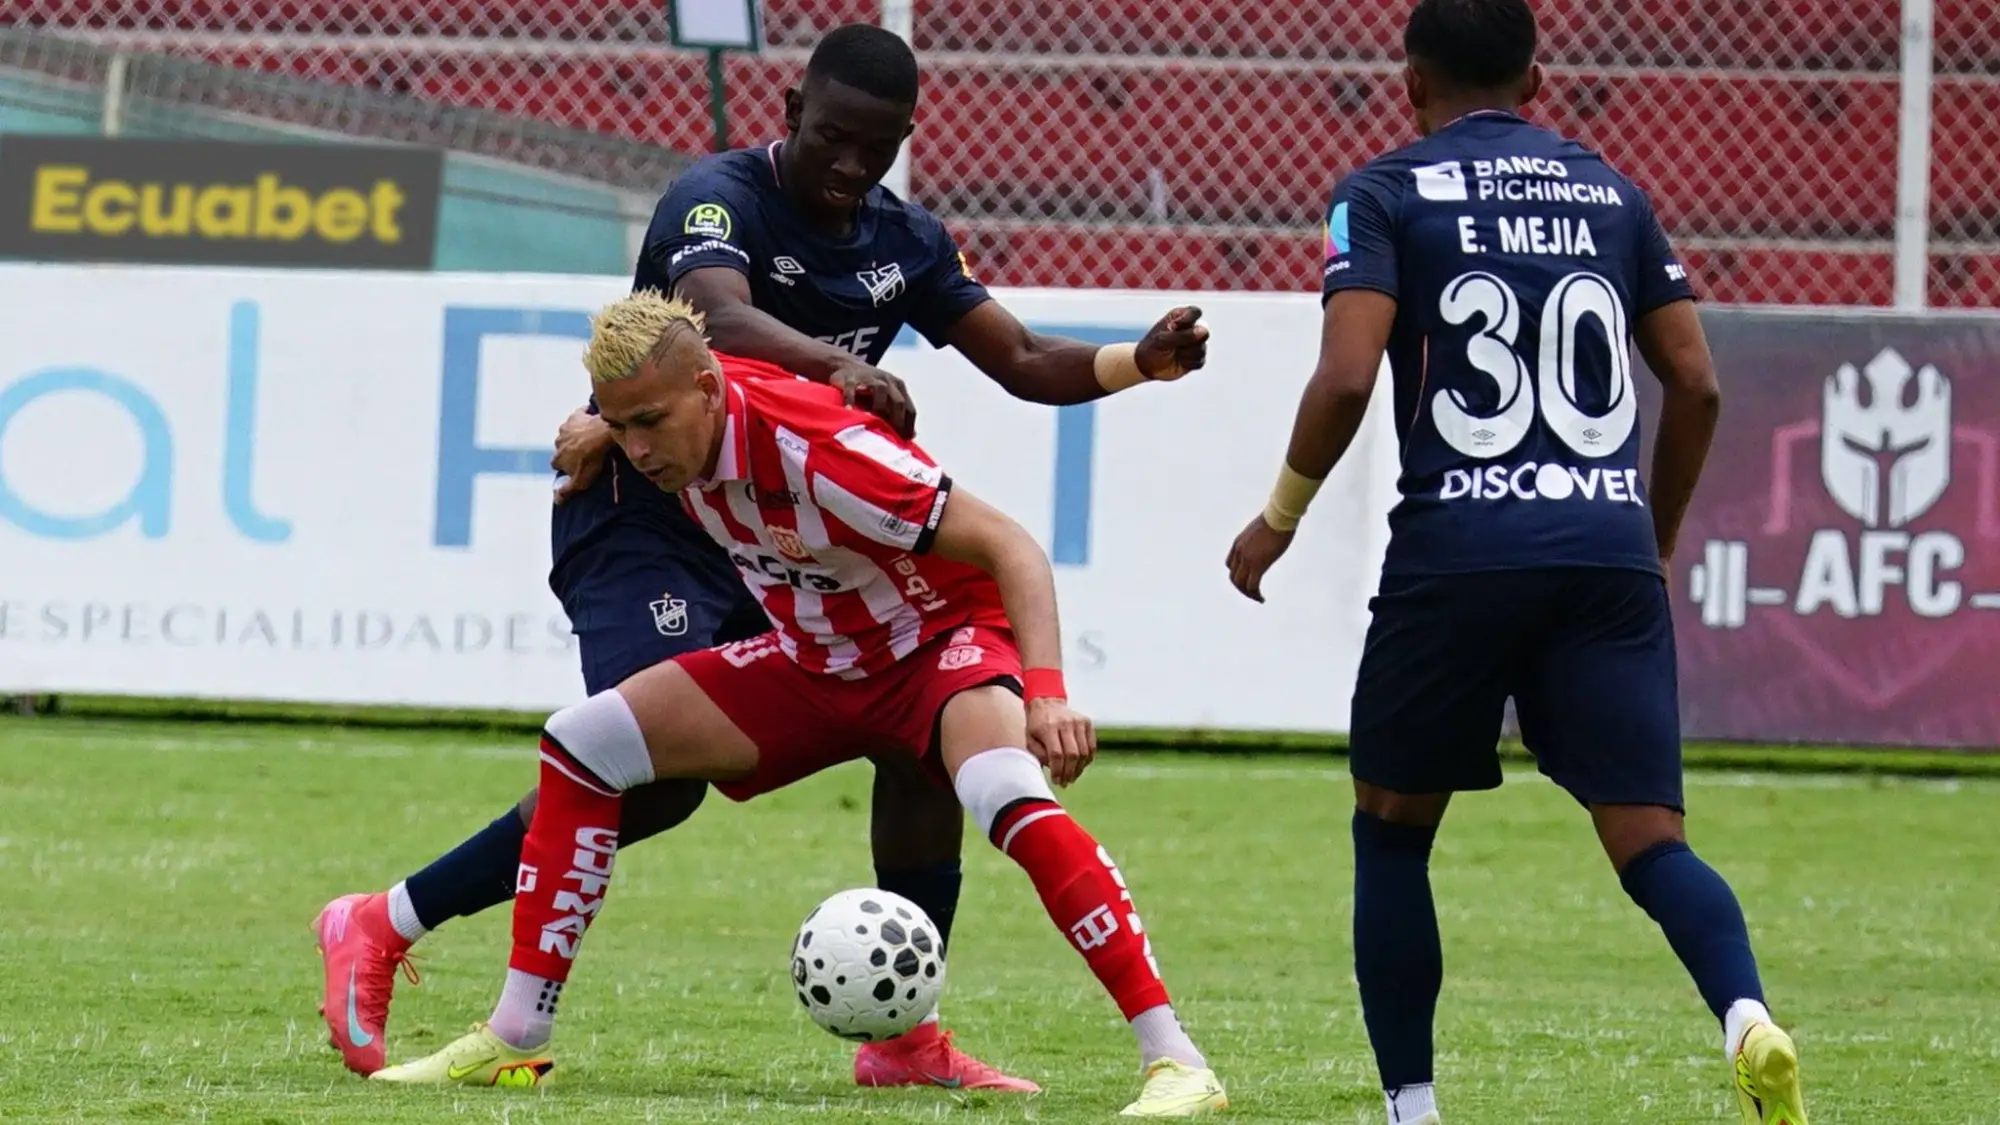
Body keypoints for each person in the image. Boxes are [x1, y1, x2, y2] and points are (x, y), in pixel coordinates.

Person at [312, 22, 1209, 1092]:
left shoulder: (903, 245)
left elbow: (1017, 359)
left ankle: (906, 1039)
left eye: (872, 149)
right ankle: (387, 924)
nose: (848, 165)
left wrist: (1132, 364)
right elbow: (716, 319)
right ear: (789, 112)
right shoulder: (716, 201)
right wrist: (780, 384)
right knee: (640, 780)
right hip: (650, 519)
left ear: (902, 142)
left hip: (787, 527)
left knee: (914, 741)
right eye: (831, 137)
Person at [367, 292, 1231, 1119]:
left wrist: (1046, 695)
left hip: (936, 644)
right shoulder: (676, 424)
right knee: (583, 741)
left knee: (1005, 790)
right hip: (816, 659)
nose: (636, 449)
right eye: (619, 424)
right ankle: (515, 1034)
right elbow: (661, 410)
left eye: (649, 423)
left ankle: (1177, 1060)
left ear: (706, 391)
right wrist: (609, 423)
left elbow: (1011, 546)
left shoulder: (822, 449)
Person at [1224, 2, 1807, 1124]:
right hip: (1602, 549)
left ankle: (1414, 1109)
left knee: (1391, 833)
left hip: (1457, 549)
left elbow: (1345, 380)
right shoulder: (1612, 194)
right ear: (1537, 81)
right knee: (1648, 843)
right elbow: (1696, 384)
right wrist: (1650, 538)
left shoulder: (1384, 192)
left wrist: (1278, 518)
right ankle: (1743, 1015)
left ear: (1407, 81)